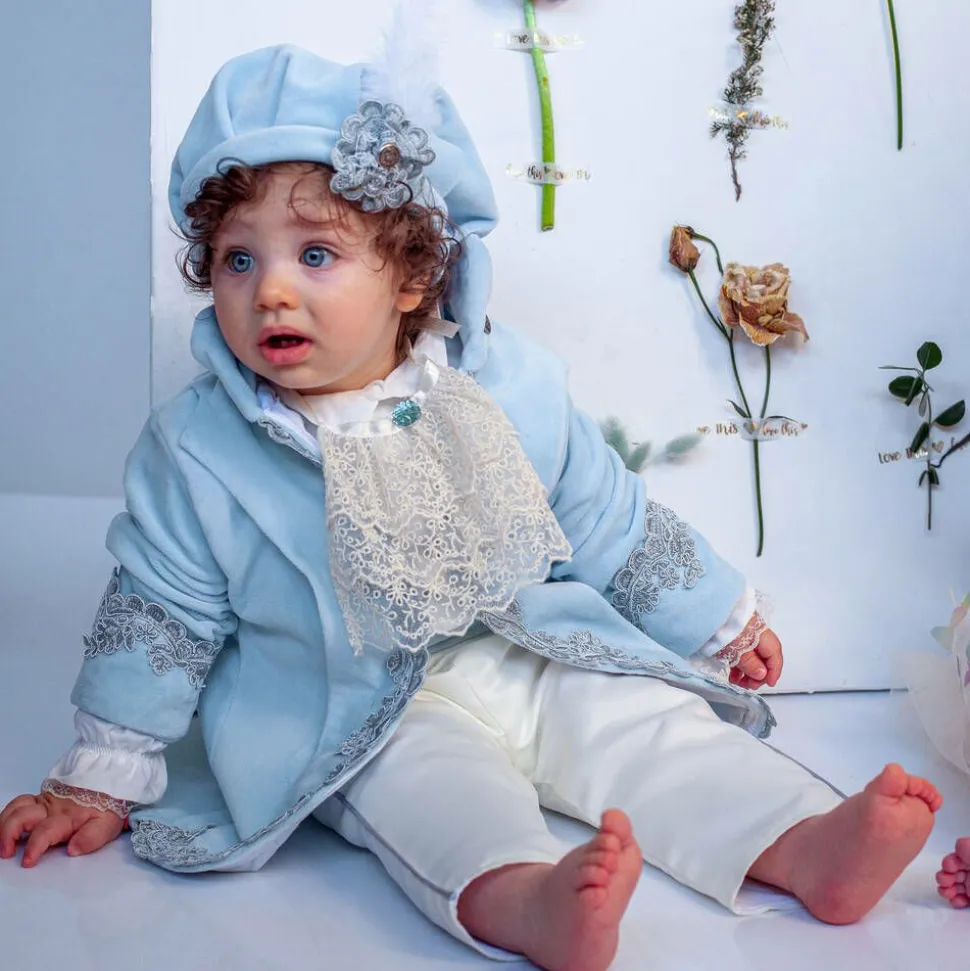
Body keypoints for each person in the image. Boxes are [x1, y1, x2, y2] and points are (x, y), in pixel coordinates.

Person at [0, 45, 943, 971]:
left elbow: (603, 514)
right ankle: (525, 897)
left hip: (531, 648)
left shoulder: (500, 388)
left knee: (641, 722)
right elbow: (161, 612)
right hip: (349, 703)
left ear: (412, 276)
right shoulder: (200, 447)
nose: (270, 290)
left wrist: (717, 616)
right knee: (430, 792)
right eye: (237, 259)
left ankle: (802, 842)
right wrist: (103, 774)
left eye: (316, 253)